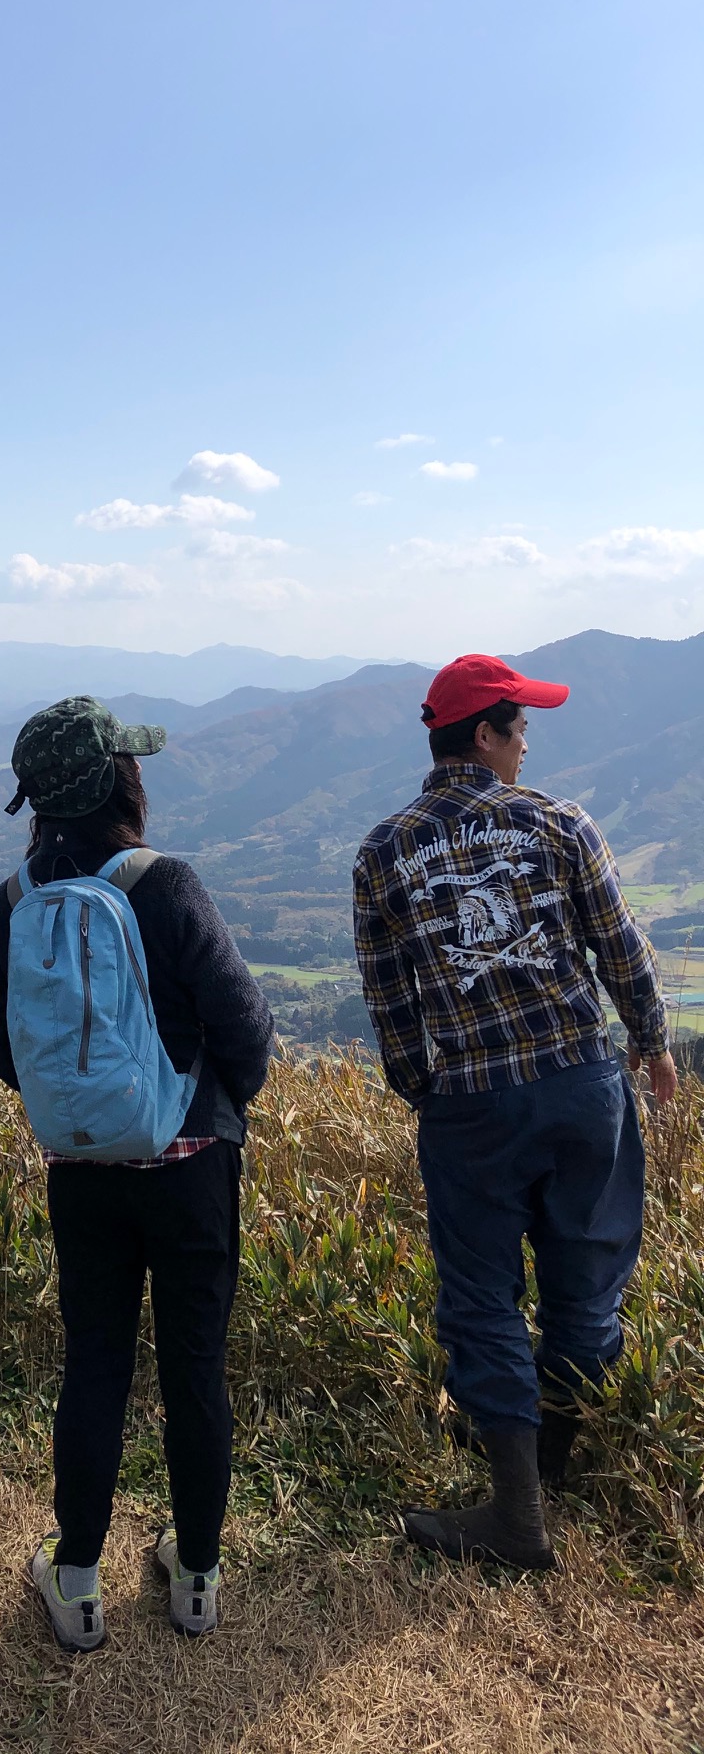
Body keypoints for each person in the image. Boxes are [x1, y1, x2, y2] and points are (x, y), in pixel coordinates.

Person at [353, 654, 676, 1570]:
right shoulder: (561, 823)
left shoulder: (382, 852)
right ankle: (550, 1463)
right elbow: (619, 947)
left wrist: (425, 1089)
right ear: (485, 735)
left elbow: (390, 1000)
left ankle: (517, 1505)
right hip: (580, 1083)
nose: (527, 743)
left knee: (482, 1297)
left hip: (471, 1104)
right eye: (521, 727)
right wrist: (652, 1043)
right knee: (587, 1276)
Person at [0, 698, 274, 1651]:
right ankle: (196, 1578)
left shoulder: (14, 902)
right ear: (120, 782)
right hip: (191, 1170)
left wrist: (86, 1107)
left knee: (95, 1363)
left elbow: (1, 1052)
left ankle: (75, 1580)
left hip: (83, 1174)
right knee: (195, 1367)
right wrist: (210, 1101)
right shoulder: (166, 884)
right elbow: (246, 1029)